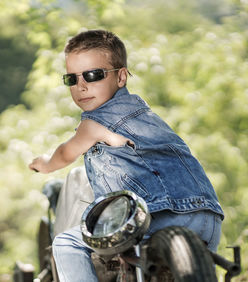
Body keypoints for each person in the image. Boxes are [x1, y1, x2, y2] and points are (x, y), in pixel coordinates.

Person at [28, 30, 224, 282]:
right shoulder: (145, 114)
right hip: (207, 216)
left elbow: (65, 153)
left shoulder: (93, 123)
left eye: (93, 75)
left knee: (66, 243)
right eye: (72, 79)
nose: (82, 86)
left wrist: (44, 164)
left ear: (121, 76)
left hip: (153, 217)